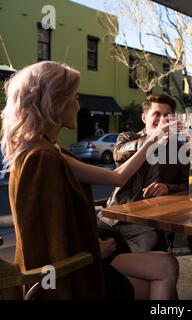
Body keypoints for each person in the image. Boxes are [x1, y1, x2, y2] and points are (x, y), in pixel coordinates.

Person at [0, 61, 178, 300]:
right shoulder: (41, 158)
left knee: (167, 264)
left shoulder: (48, 151)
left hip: (84, 259)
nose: (78, 105)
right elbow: (46, 242)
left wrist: (150, 141)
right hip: (69, 275)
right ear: (55, 104)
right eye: (74, 97)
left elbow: (116, 177)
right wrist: (93, 251)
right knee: (158, 278)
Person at [97, 93, 189, 253]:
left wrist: (169, 188)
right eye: (157, 114)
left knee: (151, 253)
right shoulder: (127, 137)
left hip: (147, 223)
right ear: (144, 118)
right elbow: (118, 153)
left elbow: (189, 185)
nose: (161, 120)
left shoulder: (180, 149)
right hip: (113, 217)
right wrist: (153, 139)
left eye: (167, 116)